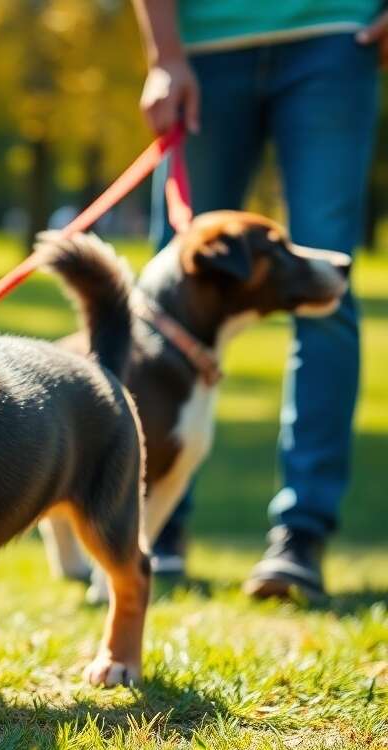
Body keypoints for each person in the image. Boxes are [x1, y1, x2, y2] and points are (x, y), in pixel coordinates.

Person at [132, 0, 383, 599]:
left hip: (336, 36)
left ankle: (301, 535)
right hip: (204, 47)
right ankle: (150, 526)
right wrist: (165, 54)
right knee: (170, 292)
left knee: (325, 283)